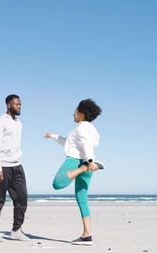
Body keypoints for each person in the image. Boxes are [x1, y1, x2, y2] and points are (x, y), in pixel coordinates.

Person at [44, 98, 104, 246]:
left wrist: (88, 163)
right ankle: (87, 236)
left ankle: (83, 168)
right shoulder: (92, 129)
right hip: (87, 162)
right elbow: (71, 143)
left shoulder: (81, 128)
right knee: (82, 199)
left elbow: (85, 144)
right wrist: (54, 137)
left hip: (78, 162)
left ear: (82, 113)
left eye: (75, 111)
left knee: (57, 183)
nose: (73, 113)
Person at [0, 94, 29, 242]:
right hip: (3, 166)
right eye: (16, 104)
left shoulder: (19, 123)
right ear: (8, 105)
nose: (19, 106)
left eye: (20, 104)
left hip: (17, 165)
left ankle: (16, 230)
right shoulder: (0, 122)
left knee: (22, 198)